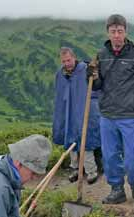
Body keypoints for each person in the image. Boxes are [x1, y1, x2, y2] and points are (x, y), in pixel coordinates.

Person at [89, 14, 134, 204]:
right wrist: (91, 78)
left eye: (120, 31)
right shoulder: (101, 55)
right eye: (113, 31)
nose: (116, 35)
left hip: (130, 114)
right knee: (110, 156)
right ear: (108, 33)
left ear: (125, 32)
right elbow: (97, 86)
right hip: (107, 115)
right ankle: (116, 189)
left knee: (133, 156)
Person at [52, 47, 101, 184]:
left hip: (83, 110)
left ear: (74, 57)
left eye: (69, 60)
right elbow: (59, 94)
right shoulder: (60, 74)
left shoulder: (85, 69)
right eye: (64, 61)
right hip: (68, 112)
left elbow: (96, 89)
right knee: (70, 140)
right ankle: (75, 169)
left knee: (86, 139)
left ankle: (91, 171)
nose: (67, 63)